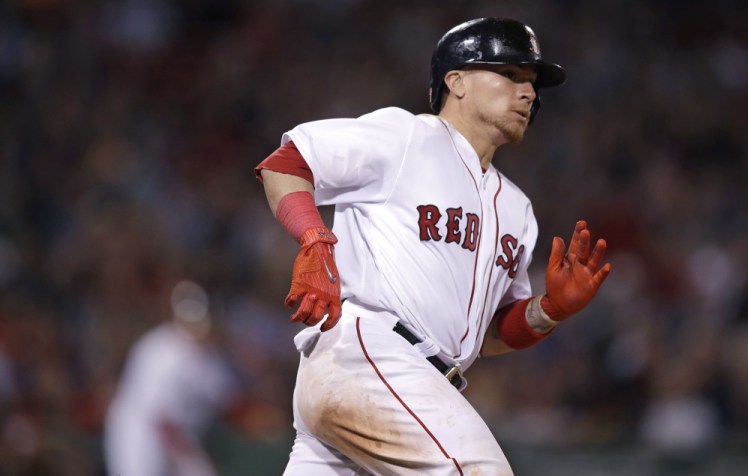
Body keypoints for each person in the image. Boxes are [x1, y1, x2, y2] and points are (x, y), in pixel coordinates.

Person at [255, 17, 611, 475]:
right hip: (369, 354)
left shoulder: (519, 211)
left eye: (532, 83)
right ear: (456, 81)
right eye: (511, 75)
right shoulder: (408, 137)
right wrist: (313, 236)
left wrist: (548, 311)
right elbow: (286, 163)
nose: (528, 93)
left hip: (414, 382)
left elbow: (485, 337)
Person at [103, 280, 242, 476]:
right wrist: (188, 457)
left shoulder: (211, 359)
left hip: (180, 435)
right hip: (141, 433)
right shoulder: (160, 350)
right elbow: (159, 416)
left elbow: (232, 402)